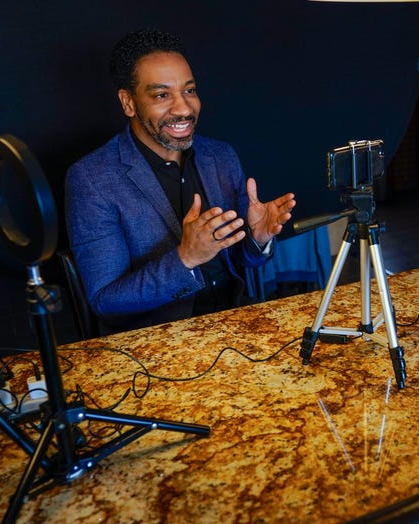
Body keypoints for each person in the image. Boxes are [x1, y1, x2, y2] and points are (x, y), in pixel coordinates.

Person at [65, 28, 296, 333]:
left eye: (189, 90)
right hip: (158, 343)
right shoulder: (91, 179)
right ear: (128, 102)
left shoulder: (221, 156)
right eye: (162, 95)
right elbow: (105, 301)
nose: (184, 108)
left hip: (236, 321)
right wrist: (185, 258)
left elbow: (245, 261)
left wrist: (257, 239)